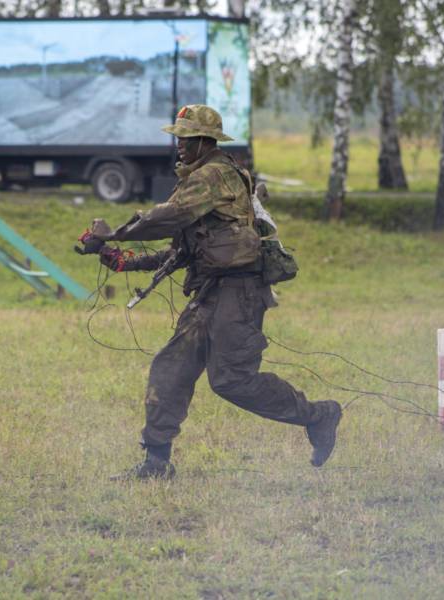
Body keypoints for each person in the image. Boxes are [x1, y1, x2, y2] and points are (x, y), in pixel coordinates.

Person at [86, 105, 342, 480]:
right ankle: (157, 463)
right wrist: (120, 260)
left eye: (186, 138)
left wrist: (115, 234)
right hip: (210, 295)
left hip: (237, 296)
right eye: (178, 137)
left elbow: (167, 218)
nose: (179, 144)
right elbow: (180, 250)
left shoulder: (213, 176)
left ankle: (320, 416)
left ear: (206, 141)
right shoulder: (201, 181)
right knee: (170, 370)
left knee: (231, 380)